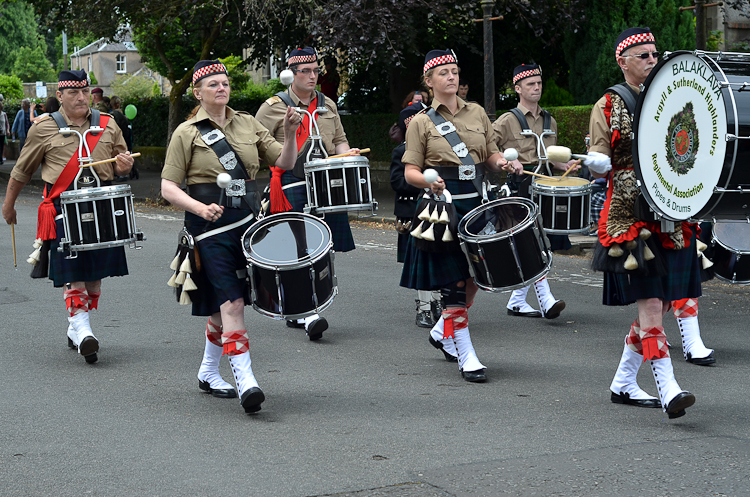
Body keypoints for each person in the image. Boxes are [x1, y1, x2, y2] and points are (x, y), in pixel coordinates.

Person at [161, 60, 300, 414]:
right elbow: (167, 187)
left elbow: (284, 163)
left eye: (225, 83)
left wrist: (289, 132)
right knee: (232, 303)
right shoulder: (186, 132)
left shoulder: (248, 123)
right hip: (210, 229)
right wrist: (198, 207)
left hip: (250, 224)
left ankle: (208, 372)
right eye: (213, 85)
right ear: (198, 92)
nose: (221, 89)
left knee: (225, 309)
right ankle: (246, 380)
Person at [588, 27, 699, 418]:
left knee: (665, 302)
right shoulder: (608, 104)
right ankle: (668, 388)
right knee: (651, 302)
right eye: (644, 56)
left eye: (655, 54)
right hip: (629, 216)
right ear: (623, 62)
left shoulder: (672, 96)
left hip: (671, 214)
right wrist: (597, 162)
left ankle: (623, 382)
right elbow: (600, 154)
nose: (653, 61)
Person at [400, 49, 517, 382]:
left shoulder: (477, 113)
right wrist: (428, 181)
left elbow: (490, 154)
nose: (451, 77)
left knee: (477, 278)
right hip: (444, 206)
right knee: (453, 284)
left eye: (454, 71)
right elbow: (410, 171)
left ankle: (441, 331)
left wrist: (502, 164)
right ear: (429, 80)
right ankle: (466, 354)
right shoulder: (421, 122)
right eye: (443, 73)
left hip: (478, 202)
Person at [2, 70, 134, 365]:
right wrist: (8, 205)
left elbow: (122, 163)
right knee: (74, 271)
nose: (81, 97)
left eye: (85, 91)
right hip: (62, 208)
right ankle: (84, 329)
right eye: (73, 92)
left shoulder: (108, 124)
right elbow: (22, 170)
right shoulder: (44, 128)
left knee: (95, 279)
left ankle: (76, 328)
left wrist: (124, 165)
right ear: (59, 96)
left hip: (101, 207)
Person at [255, 47, 360, 341]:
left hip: (324, 181)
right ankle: (306, 310)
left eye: (316, 71)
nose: (313, 76)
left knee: (321, 246)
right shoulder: (272, 107)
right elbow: (257, 148)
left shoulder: (328, 105)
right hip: (290, 182)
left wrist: (345, 154)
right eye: (307, 71)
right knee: (298, 247)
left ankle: (303, 305)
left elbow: (339, 140)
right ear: (291, 73)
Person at [493, 63, 577, 319]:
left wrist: (565, 165)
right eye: (531, 84)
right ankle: (546, 299)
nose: (537, 87)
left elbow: (550, 157)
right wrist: (505, 160)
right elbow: (488, 147)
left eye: (539, 83)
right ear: (518, 88)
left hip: (546, 183)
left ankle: (517, 301)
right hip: (520, 185)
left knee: (542, 242)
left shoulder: (550, 119)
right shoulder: (507, 120)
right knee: (530, 241)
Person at [389, 102, 441, 328]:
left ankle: (439, 304)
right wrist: (422, 185)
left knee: (439, 258)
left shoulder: (434, 149)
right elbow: (397, 181)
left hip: (436, 209)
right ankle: (424, 308)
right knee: (422, 262)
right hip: (412, 213)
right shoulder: (401, 151)